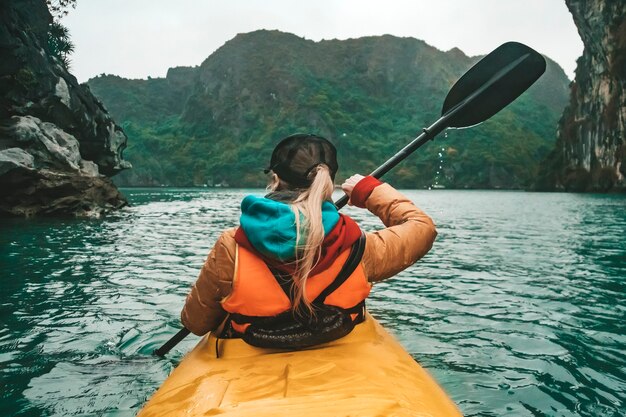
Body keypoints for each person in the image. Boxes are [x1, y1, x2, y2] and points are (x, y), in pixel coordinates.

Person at [181, 133, 437, 346]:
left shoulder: (231, 246)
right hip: (340, 348)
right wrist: (370, 191)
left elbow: (196, 323)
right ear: (329, 183)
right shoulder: (356, 244)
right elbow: (421, 227)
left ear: (276, 179)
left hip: (249, 354)